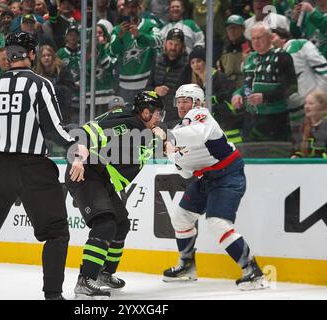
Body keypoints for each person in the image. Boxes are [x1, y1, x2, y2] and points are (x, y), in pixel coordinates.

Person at [0, 31, 88, 300]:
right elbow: (54, 130)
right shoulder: (40, 85)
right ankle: (53, 295)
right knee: (56, 233)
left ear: (7, 57)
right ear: (32, 54)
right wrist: (76, 150)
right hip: (33, 169)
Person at [161, 84, 267, 290]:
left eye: (186, 100)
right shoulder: (179, 131)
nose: (181, 105)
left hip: (228, 175)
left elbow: (198, 134)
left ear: (197, 102)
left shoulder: (202, 116)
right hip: (207, 179)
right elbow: (184, 171)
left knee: (217, 222)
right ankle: (187, 266)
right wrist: (174, 153)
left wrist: (167, 137)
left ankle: (252, 271)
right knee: (181, 217)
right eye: (179, 101)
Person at [66, 91, 165, 298]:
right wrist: (78, 158)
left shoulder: (135, 125)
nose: (159, 119)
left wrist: (163, 142)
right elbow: (86, 134)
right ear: (145, 113)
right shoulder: (128, 125)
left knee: (121, 224)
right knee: (106, 224)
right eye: (157, 114)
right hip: (84, 172)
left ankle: (104, 273)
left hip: (98, 175)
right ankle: (85, 281)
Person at [232, 22, 298, 142]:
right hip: (251, 119)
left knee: (275, 155)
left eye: (259, 37)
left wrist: (265, 97)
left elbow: (291, 87)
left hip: (275, 118)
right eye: (253, 38)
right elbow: (247, 85)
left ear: (270, 37)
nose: (256, 41)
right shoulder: (249, 59)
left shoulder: (282, 56)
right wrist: (237, 94)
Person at [272, 27, 327, 148]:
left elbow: (323, 69)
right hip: (294, 113)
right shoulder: (271, 58)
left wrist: (319, 99)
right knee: (301, 149)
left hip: (317, 108)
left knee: (325, 145)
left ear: (283, 38)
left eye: (272, 36)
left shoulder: (299, 44)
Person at [110, 0, 162, 103]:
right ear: (124, 9)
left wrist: (140, 36)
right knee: (127, 117)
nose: (131, 10)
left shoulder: (149, 24)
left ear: (139, 8)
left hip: (147, 83)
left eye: (134, 6)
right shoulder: (117, 30)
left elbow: (159, 42)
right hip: (125, 86)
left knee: (148, 116)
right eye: (128, 7)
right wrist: (119, 37)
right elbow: (111, 52)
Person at [291, 0, 327, 98]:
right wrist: (295, 20)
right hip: (313, 74)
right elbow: (298, 37)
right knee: (317, 110)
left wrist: (312, 12)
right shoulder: (308, 14)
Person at [146, 28, 189, 127]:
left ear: (182, 46)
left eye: (177, 45)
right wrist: (155, 90)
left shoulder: (187, 64)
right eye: (170, 43)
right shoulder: (157, 61)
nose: (173, 47)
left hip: (177, 118)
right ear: (165, 43)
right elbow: (147, 88)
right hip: (157, 116)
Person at [291, 90, 327, 158]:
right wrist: (295, 156)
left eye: (311, 103)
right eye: (305, 103)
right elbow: (296, 149)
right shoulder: (300, 127)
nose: (306, 106)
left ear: (321, 106)